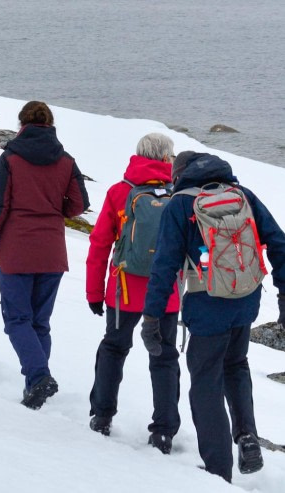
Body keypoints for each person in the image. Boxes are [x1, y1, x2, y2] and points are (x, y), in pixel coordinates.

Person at [142, 152, 285, 483]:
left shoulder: (180, 205)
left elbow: (165, 265)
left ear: (180, 175)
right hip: (246, 300)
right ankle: (246, 436)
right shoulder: (243, 196)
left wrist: (151, 317)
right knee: (236, 365)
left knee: (205, 381)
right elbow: (279, 243)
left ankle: (218, 472)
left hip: (207, 304)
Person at [0, 100, 89, 408]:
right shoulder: (66, 160)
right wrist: (56, 210)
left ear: (21, 124)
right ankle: (35, 388)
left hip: (17, 251)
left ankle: (39, 377)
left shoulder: (11, 158)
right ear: (50, 124)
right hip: (52, 252)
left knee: (16, 319)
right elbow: (80, 203)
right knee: (39, 322)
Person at [85, 133, 181, 450]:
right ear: (168, 159)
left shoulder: (119, 192)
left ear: (138, 155)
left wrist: (93, 293)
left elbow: (99, 245)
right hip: (165, 293)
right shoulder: (179, 195)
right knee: (164, 358)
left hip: (123, 290)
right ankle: (164, 431)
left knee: (114, 349)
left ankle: (101, 415)